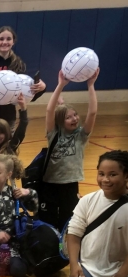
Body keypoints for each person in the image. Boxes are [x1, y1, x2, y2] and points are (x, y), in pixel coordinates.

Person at [67, 150, 128, 277]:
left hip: (121, 269)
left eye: (113, 174)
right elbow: (73, 234)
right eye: (101, 174)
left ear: (126, 176)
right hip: (87, 266)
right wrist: (74, 264)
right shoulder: (87, 201)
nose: (105, 180)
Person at [40, 68, 100, 230]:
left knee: (69, 220)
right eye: (69, 117)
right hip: (50, 183)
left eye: (75, 115)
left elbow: (92, 112)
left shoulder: (81, 136)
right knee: (50, 220)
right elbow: (49, 110)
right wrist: (60, 85)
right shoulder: (53, 134)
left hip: (70, 184)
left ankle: (66, 246)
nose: (74, 119)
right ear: (60, 121)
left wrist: (90, 85)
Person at [0, 26, 45, 130]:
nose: (5, 42)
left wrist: (41, 88)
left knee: (6, 146)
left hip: (8, 117)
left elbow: (25, 94)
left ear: (13, 42)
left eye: (8, 39)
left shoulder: (18, 64)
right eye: (1, 39)